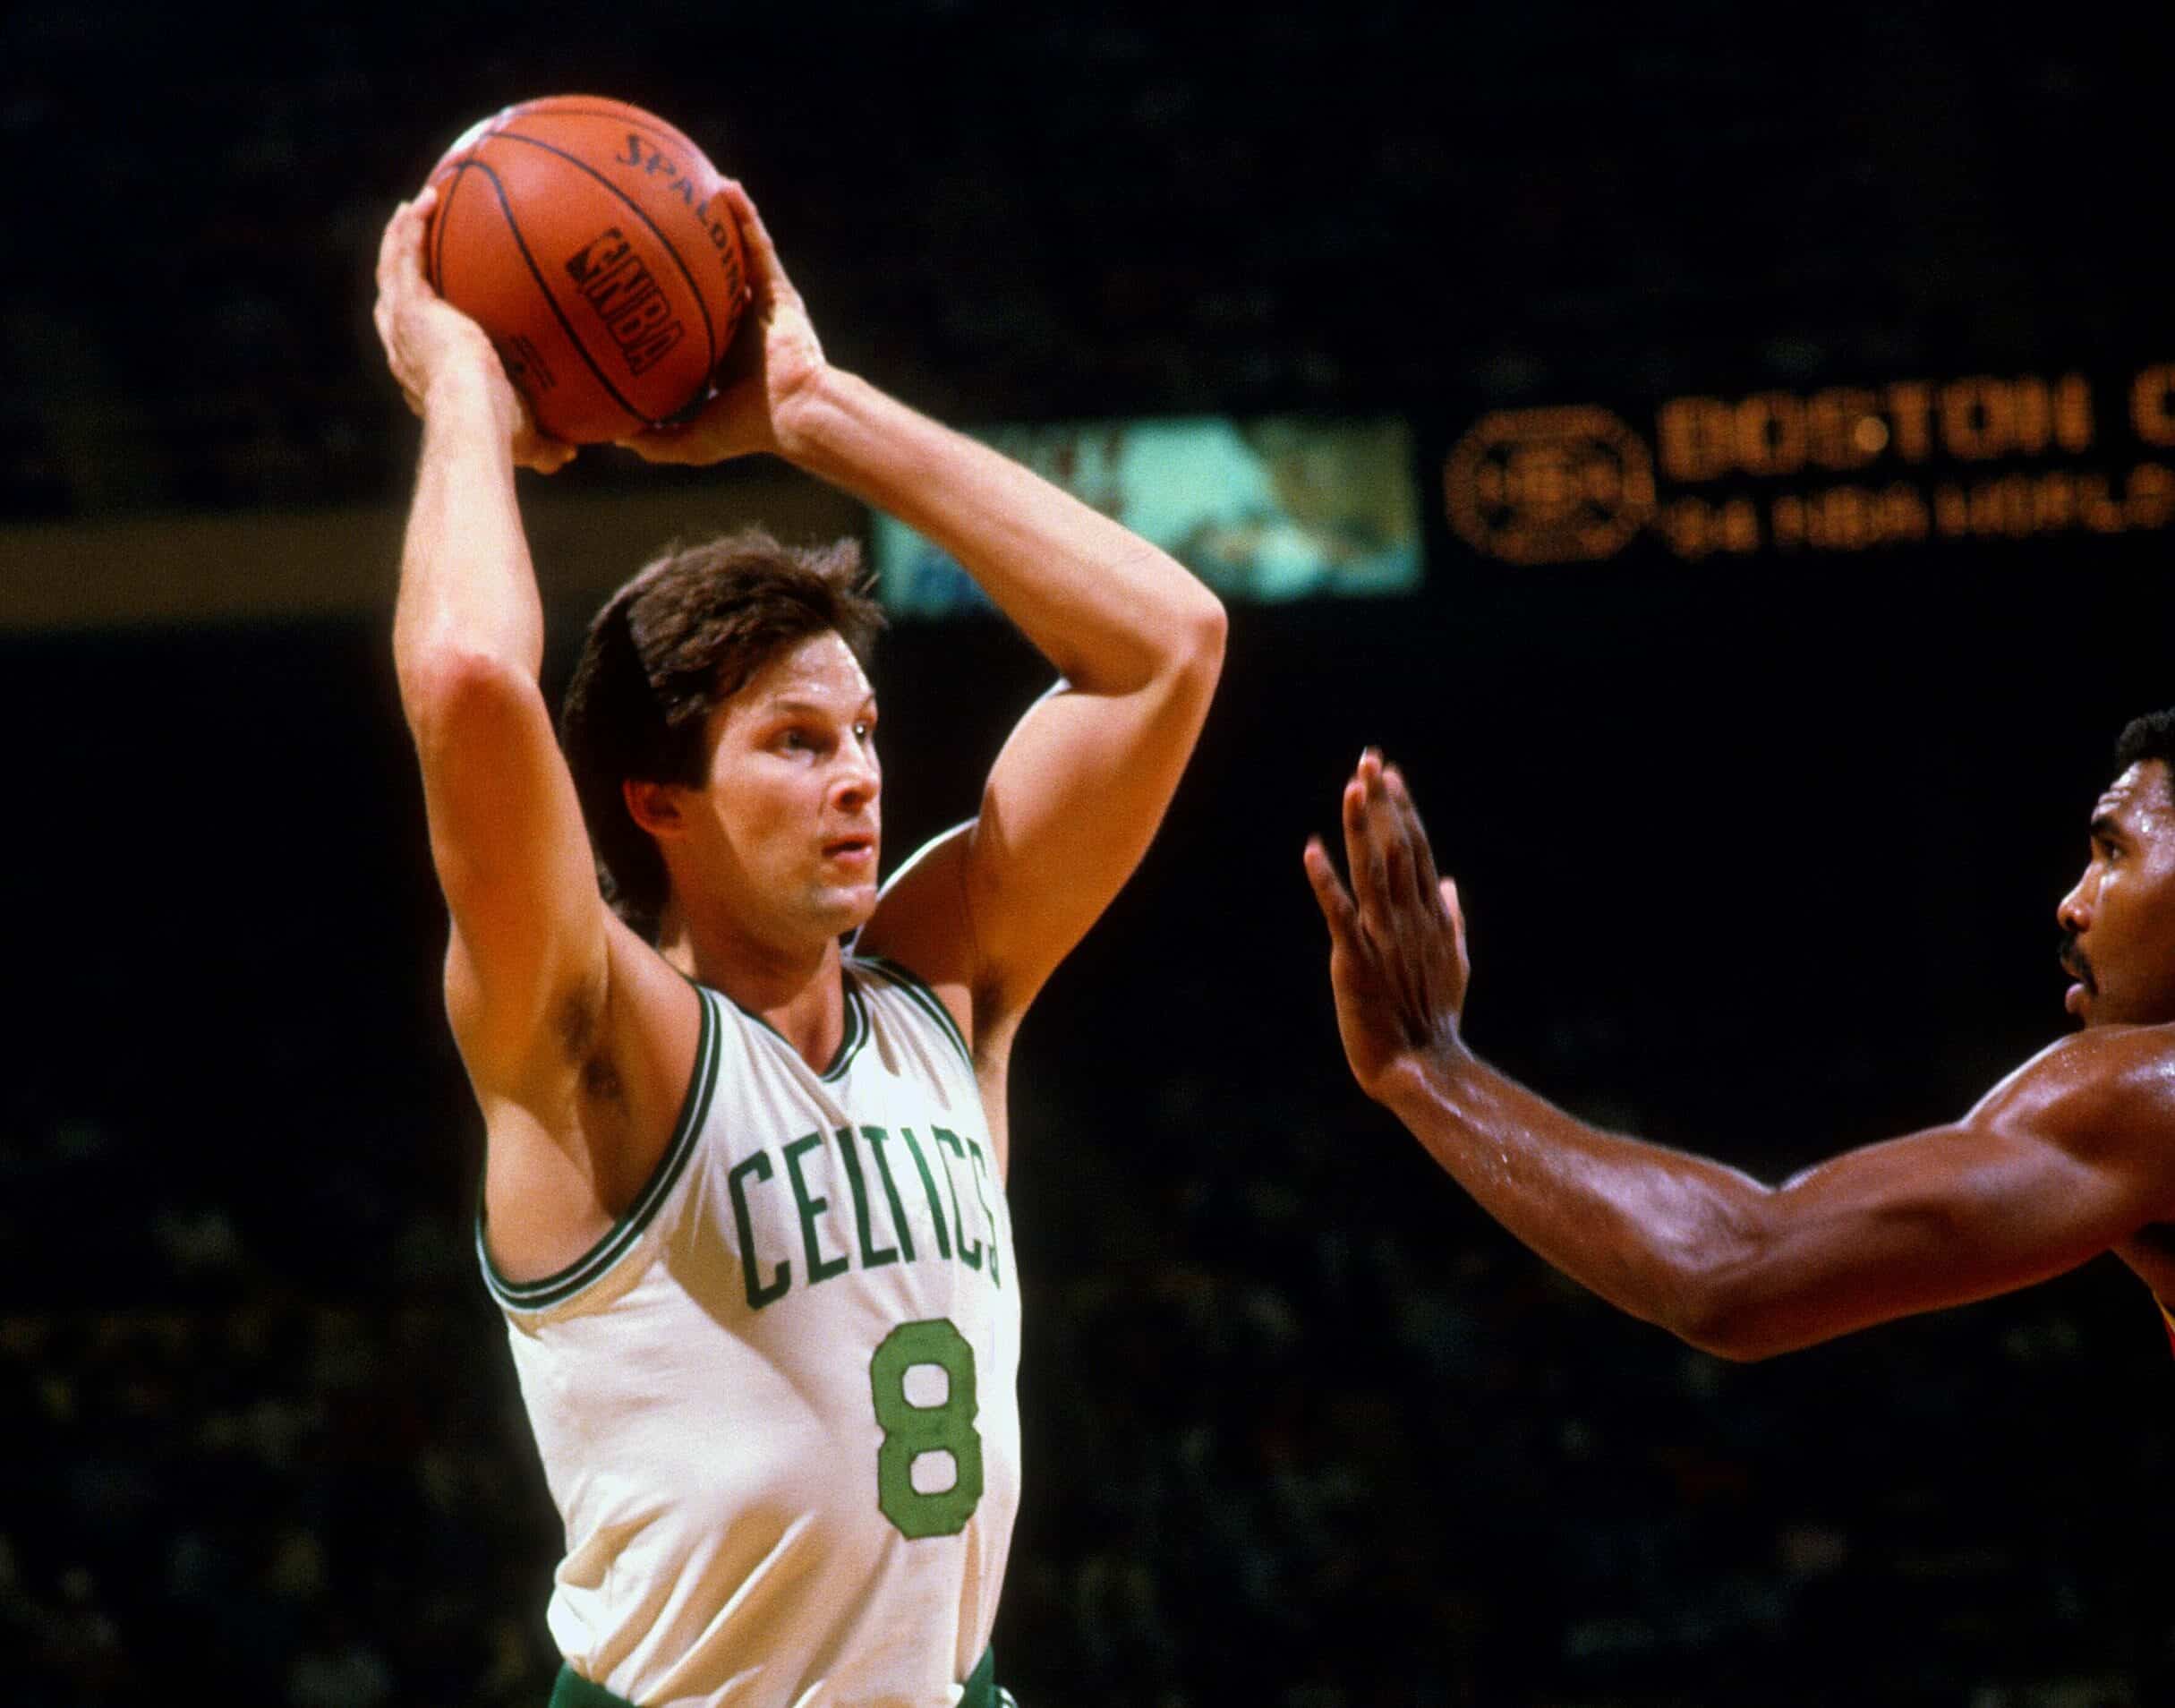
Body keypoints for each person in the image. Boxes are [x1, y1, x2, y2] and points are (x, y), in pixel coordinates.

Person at [371, 175, 1224, 1708]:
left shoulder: (947, 991)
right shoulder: (597, 1039)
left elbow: (1167, 647)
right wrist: (461, 398)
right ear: (660, 803)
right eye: (793, 739)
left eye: (866, 729)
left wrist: (817, 410)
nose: (859, 773)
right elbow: (462, 681)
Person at [1302, 725, 2175, 1362]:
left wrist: (1428, 1071)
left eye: (2114, 852)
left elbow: (1727, 1269)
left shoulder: (2150, 1091)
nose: (2073, 900)